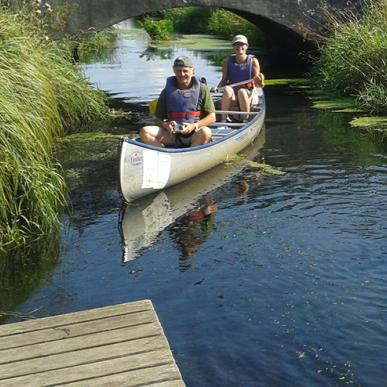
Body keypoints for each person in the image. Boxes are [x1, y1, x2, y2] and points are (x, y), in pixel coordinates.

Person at [140, 56, 216, 148]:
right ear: (174, 71)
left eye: (185, 71)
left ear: (193, 71)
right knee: (145, 131)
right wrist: (166, 125)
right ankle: (163, 153)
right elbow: (157, 118)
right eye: (178, 71)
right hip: (173, 135)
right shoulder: (167, 91)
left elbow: (212, 117)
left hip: (195, 134)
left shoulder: (202, 89)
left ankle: (190, 155)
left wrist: (194, 126)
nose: (182, 74)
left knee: (206, 132)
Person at [212, 34, 264, 122]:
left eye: (242, 44)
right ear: (233, 46)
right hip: (234, 95)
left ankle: (244, 120)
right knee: (228, 89)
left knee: (242, 92)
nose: (239, 47)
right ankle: (223, 120)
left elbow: (258, 84)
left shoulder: (253, 61)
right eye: (237, 44)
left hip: (249, 94)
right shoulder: (227, 61)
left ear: (247, 46)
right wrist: (217, 88)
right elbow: (224, 81)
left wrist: (258, 81)